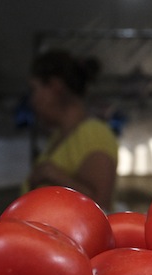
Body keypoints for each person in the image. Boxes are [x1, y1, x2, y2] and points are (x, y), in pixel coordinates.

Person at [24, 49, 119, 212]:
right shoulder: (57, 137)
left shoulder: (94, 134)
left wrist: (55, 176)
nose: (32, 100)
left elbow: (101, 206)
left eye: (35, 89)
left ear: (55, 87)